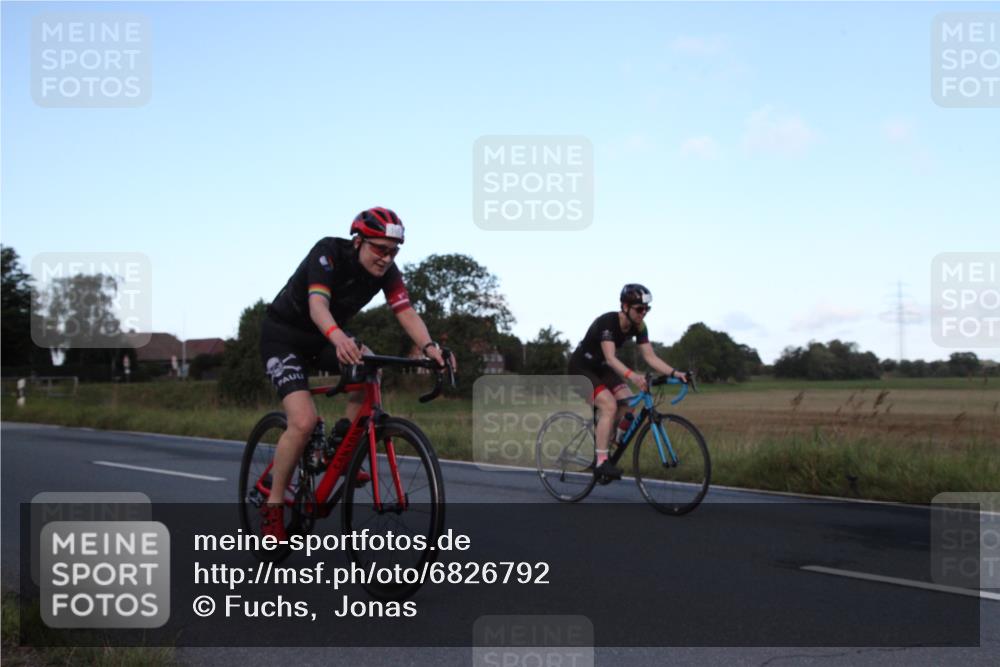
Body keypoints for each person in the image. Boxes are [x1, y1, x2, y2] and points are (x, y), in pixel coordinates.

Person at [258, 207, 451, 539]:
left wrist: (430, 347)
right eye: (380, 249)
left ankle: (340, 446)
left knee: (370, 365)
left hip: (324, 338)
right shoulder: (328, 253)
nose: (386, 258)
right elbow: (318, 306)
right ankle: (273, 506)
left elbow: (405, 311)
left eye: (393, 252)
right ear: (359, 241)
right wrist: (338, 337)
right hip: (284, 337)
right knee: (303, 421)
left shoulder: (387, 272)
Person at [567, 284, 688, 479]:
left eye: (647, 309)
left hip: (601, 368)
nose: (643, 313)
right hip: (580, 369)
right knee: (609, 405)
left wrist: (675, 373)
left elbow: (650, 357)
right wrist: (633, 376)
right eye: (639, 309)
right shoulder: (608, 322)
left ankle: (608, 440)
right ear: (625, 306)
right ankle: (601, 461)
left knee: (629, 402)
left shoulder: (639, 326)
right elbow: (611, 358)